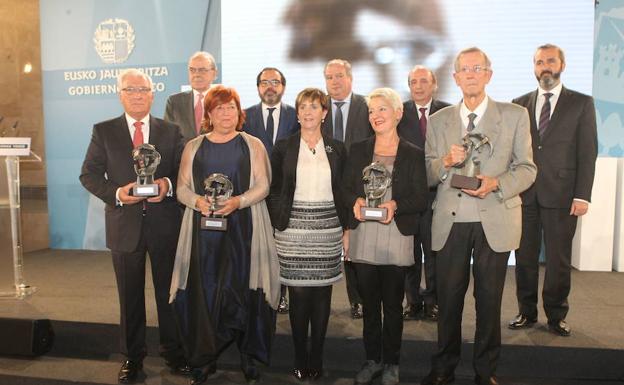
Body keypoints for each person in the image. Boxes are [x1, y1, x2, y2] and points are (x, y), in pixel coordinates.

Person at [421, 47, 536, 385]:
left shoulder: (514, 115)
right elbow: (426, 174)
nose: (470, 74)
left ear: (489, 74)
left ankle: (486, 372)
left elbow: (528, 169)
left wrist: (496, 183)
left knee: (488, 302)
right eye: (463, 69)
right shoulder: (439, 120)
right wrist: (444, 162)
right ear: (455, 78)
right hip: (451, 221)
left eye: (477, 68)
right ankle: (443, 368)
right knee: (449, 301)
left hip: (494, 219)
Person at [79, 69, 188, 383]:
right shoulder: (104, 131)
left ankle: (174, 353)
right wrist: (116, 194)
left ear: (153, 94)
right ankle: (133, 358)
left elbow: (183, 170)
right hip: (124, 227)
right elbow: (88, 175)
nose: (138, 94)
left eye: (144, 89)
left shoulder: (170, 130)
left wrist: (166, 184)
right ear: (120, 94)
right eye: (131, 89)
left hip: (165, 224)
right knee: (130, 297)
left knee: (169, 295)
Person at [168, 85, 280, 385]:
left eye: (230, 107)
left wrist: (238, 201)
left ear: (239, 111)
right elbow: (181, 188)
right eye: (219, 108)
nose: (225, 113)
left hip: (244, 229)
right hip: (204, 234)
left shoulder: (252, 144)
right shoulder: (193, 146)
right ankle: (205, 358)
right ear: (209, 114)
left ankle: (248, 356)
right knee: (204, 292)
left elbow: (263, 185)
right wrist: (198, 202)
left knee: (244, 289)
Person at [508, 44, 598, 337]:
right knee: (524, 258)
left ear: (562, 64)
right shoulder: (518, 102)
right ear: (533, 67)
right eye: (539, 62)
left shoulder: (581, 103)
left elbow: (587, 152)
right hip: (525, 194)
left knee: (559, 259)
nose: (544, 66)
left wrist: (582, 194)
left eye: (550, 61)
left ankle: (557, 315)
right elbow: (511, 152)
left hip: (563, 194)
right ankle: (526, 311)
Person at [343, 87, 428, 385]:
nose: (376, 116)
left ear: (397, 113)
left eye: (382, 109)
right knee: (369, 306)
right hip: (363, 234)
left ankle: (392, 362)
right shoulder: (358, 149)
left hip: (396, 235)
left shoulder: (414, 154)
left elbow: (421, 198)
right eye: (371, 111)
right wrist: (354, 201)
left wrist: (396, 204)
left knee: (392, 306)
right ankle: (372, 359)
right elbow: (345, 189)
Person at [267, 88, 347, 381]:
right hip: (293, 230)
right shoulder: (284, 147)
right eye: (303, 107)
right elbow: (274, 189)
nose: (309, 112)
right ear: (297, 113)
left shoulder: (337, 148)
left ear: (325, 113)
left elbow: (345, 191)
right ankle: (300, 356)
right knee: (299, 297)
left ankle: (317, 356)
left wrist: (347, 227)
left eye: (315, 107)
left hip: (328, 228)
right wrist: (280, 221)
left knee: (323, 295)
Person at [243, 67, 300, 314]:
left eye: (275, 82)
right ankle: (257, 293)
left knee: (284, 247)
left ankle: (282, 295)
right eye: (264, 82)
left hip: (288, 193)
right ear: (257, 88)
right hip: (254, 192)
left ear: (283, 87)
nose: (270, 86)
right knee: (256, 246)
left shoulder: (297, 115)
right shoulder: (243, 116)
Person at [321, 58, 374, 319]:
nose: (335, 82)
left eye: (339, 76)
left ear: (350, 78)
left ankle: (359, 300)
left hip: (358, 186)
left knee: (355, 244)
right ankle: (321, 300)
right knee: (327, 243)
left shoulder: (367, 106)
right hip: (324, 186)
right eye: (329, 77)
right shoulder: (319, 109)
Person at [397, 65, 450, 322]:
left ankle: (433, 302)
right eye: (413, 82)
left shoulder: (449, 112)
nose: (418, 86)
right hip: (407, 194)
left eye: (423, 81)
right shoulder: (399, 112)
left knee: (432, 250)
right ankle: (412, 301)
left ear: (434, 84)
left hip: (437, 193)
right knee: (409, 252)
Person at [164, 51, 217, 142]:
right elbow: (167, 137)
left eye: (202, 70)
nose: (196, 74)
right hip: (183, 155)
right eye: (192, 70)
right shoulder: (174, 102)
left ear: (214, 73)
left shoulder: (223, 101)